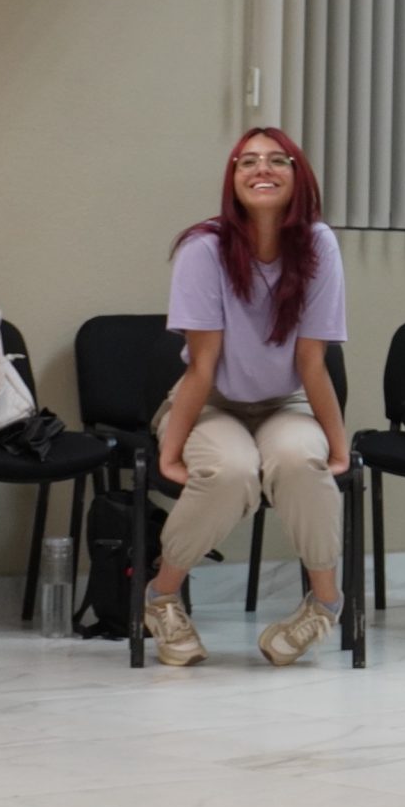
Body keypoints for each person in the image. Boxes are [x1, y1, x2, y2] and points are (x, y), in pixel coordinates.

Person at [147, 128, 349, 668]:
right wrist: (171, 450)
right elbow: (203, 365)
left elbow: (312, 362)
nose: (262, 169)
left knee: (302, 462)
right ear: (233, 179)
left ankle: (325, 603)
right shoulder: (202, 249)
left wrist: (337, 446)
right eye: (248, 161)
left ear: (297, 176)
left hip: (286, 402)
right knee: (230, 471)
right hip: (213, 400)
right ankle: (161, 597)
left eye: (277, 160)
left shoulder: (319, 245)